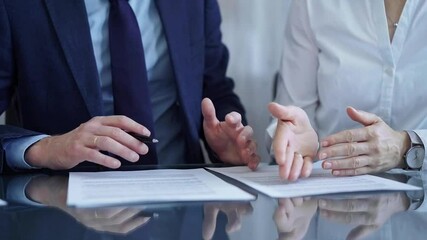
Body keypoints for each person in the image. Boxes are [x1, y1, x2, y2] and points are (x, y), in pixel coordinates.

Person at [0, 0, 260, 173]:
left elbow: (214, 87)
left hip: (183, 201)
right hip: (62, 208)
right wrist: (47, 148)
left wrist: (226, 142)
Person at [266, 0, 427, 181]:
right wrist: (291, 141)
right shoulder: (313, 4)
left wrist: (407, 146)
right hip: (328, 188)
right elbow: (292, 112)